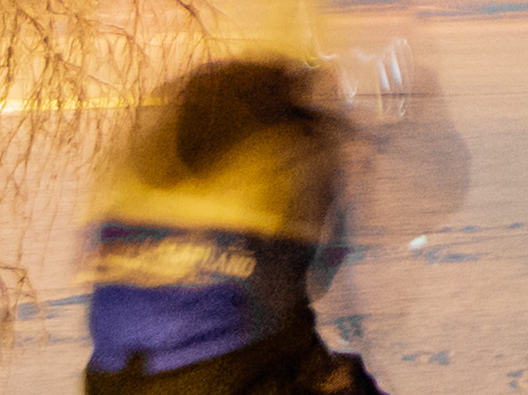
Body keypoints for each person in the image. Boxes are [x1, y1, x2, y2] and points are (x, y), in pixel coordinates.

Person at [80, 57, 374, 395]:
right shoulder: (287, 151)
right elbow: (309, 282)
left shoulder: (147, 152)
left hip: (109, 375)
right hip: (219, 372)